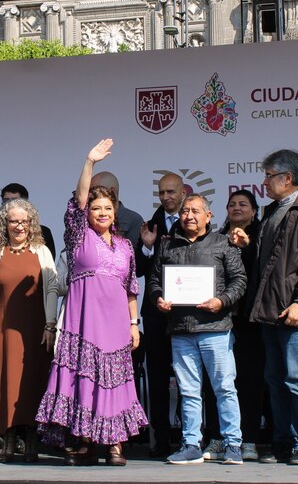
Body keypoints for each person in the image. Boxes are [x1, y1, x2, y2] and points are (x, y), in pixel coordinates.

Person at [36, 138, 147, 466]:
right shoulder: (78, 235)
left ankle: (114, 444)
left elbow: (131, 289)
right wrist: (89, 162)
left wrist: (134, 324)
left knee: (114, 381)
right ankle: (83, 441)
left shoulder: (126, 246)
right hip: (82, 323)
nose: (100, 212)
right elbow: (80, 198)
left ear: (115, 213)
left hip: (115, 326)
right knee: (83, 381)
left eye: (107, 209)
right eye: (96, 208)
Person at [146, 194, 247, 465]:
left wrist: (221, 301)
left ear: (208, 216)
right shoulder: (167, 246)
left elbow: (239, 280)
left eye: (195, 211)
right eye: (185, 211)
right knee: (188, 390)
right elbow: (155, 281)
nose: (189, 216)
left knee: (225, 388)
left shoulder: (224, 243)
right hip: (181, 329)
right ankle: (191, 443)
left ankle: (232, 444)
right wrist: (159, 298)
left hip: (216, 328)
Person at [246, 150, 298, 465]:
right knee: (276, 379)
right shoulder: (273, 211)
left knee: (297, 379)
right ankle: (282, 442)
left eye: (269, 176)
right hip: (270, 312)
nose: (264, 182)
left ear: (288, 178)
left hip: (295, 313)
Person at [0, 197, 59, 463]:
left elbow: (51, 289)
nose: (19, 226)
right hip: (2, 330)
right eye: (14, 221)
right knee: (5, 384)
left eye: (24, 221)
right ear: (5, 223)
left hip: (36, 330)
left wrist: (50, 325)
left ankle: (32, 437)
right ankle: (9, 437)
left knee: (32, 383)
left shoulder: (41, 251)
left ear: (31, 223)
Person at [201, 189, 267, 462]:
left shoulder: (262, 237)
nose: (237, 208)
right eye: (232, 204)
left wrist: (247, 246)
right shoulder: (215, 239)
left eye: (243, 204)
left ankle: (249, 439)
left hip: (251, 321)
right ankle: (216, 438)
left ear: (254, 211)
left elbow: (264, 271)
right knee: (216, 382)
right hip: (218, 320)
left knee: (250, 381)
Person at [136, 172, 186, 457]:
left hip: (188, 313)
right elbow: (139, 270)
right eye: (162, 192)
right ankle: (161, 440)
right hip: (157, 311)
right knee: (157, 378)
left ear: (182, 192)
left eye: (171, 192)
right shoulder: (150, 223)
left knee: (189, 377)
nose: (166, 197)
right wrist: (147, 246)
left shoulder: (194, 217)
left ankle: (192, 437)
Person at [0, 183, 56, 283]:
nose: (8, 205)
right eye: (5, 201)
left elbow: (48, 272)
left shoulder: (42, 232)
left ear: (26, 204)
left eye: (14, 201)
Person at [90, 171, 145, 240]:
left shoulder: (134, 220)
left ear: (112, 191)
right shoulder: (88, 217)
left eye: (98, 191)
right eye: (90, 192)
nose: (91, 195)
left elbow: (134, 249)